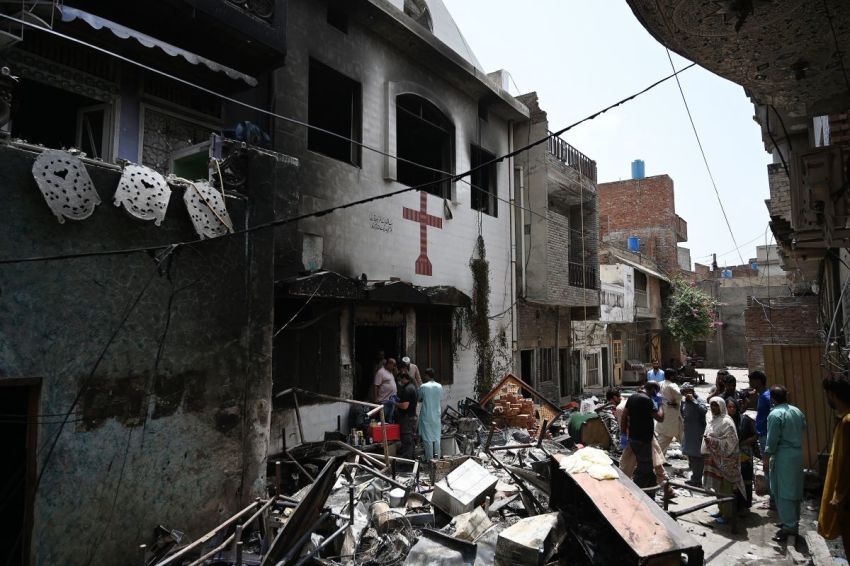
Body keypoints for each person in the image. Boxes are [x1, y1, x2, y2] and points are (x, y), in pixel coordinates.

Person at [765, 385, 807, 541]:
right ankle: (791, 522)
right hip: (796, 454)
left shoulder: (775, 414)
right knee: (794, 490)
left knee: (783, 492)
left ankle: (789, 527)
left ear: (773, 399)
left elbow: (772, 441)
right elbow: (803, 427)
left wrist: (765, 459)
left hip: (783, 456)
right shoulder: (796, 411)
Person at [702, 396, 746, 525]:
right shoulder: (713, 420)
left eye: (716, 405)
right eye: (712, 405)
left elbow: (732, 442)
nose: (714, 408)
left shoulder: (727, 422)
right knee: (718, 487)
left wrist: (713, 441)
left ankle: (727, 515)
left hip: (726, 461)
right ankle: (721, 510)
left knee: (725, 488)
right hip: (714, 458)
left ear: (722, 406)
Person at [818, 378, 850, 556]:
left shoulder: (847, 422)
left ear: (832, 395)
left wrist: (838, 496)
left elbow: (846, 463)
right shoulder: (843, 419)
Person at [620, 383, 664, 489]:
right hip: (643, 439)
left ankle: (650, 488)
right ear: (653, 390)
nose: (656, 394)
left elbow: (624, 416)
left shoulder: (632, 397)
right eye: (656, 391)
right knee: (644, 468)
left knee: (644, 465)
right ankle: (638, 490)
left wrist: (623, 434)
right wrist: (661, 405)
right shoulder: (648, 400)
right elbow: (660, 418)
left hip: (633, 437)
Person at [748, 370, 774, 509]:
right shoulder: (763, 395)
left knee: (767, 468)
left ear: (758, 381)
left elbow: (771, 416)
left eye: (751, 380)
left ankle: (774, 500)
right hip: (763, 434)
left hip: (765, 436)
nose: (750, 383)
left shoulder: (765, 396)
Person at [727, 396, 756, 513]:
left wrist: (742, 443)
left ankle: (744, 506)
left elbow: (755, 436)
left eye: (733, 407)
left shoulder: (745, 420)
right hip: (730, 455)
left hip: (744, 455)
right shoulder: (725, 421)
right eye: (728, 407)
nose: (731, 409)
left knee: (745, 480)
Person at [681, 382, 708, 487]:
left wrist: (693, 401)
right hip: (688, 431)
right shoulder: (685, 402)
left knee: (698, 456)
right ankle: (694, 478)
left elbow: (703, 410)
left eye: (687, 392)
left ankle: (697, 479)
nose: (685, 394)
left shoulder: (699, 400)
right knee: (690, 454)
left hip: (697, 432)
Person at [656, 369, 684, 456]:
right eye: (675, 375)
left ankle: (691, 459)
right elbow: (680, 395)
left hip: (666, 414)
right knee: (665, 438)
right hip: (671, 417)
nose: (677, 377)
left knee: (683, 438)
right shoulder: (672, 386)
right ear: (672, 376)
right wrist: (676, 402)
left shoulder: (660, 383)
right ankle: (655, 461)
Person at [418, 368, 443, 461]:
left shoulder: (423, 386)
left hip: (427, 415)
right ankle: (437, 459)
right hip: (436, 415)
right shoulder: (439, 386)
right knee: (437, 437)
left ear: (427, 375)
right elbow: (440, 398)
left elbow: (419, 398)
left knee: (427, 438)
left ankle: (430, 460)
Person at [394, 369, 418, 459]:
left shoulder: (407, 389)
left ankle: (407, 464)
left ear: (404, 378)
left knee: (406, 440)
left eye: (400, 380)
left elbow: (405, 406)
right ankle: (412, 460)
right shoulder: (412, 387)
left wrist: (395, 403)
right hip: (411, 417)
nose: (399, 382)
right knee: (411, 440)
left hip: (407, 418)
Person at [374, 358, 397, 424]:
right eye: (393, 365)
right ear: (389, 364)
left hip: (392, 401)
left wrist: (395, 370)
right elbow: (376, 385)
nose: (394, 367)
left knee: (390, 420)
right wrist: (376, 399)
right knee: (382, 420)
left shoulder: (391, 372)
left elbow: (398, 376)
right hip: (384, 401)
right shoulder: (381, 372)